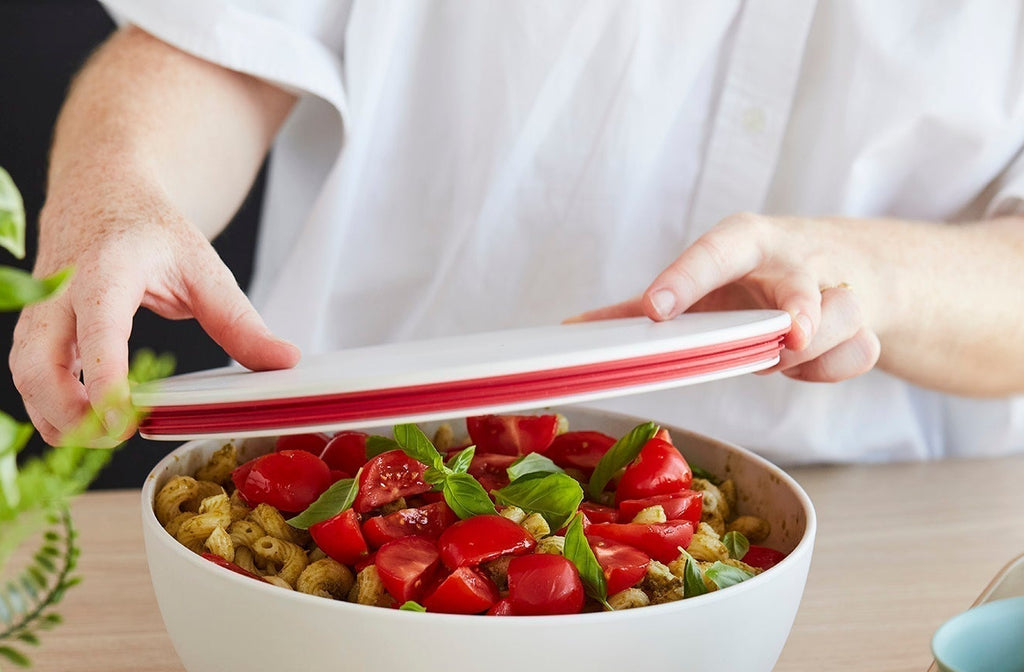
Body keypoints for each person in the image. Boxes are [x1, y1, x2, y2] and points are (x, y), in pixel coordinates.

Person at [10, 1, 1024, 464]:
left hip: (884, 535)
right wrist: (115, 189)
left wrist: (872, 275)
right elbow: (223, 41)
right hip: (354, 481)